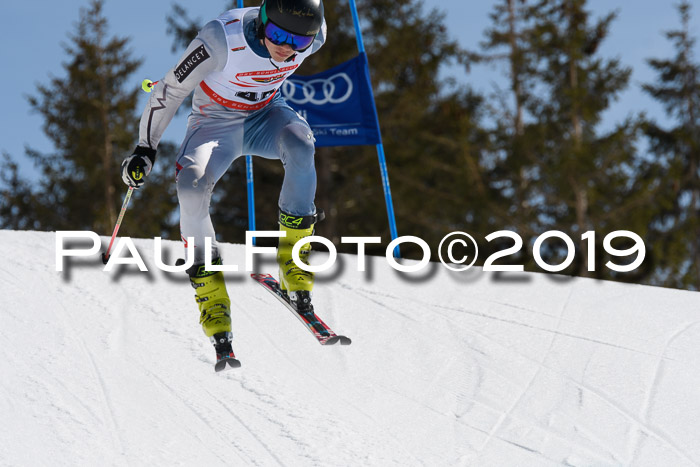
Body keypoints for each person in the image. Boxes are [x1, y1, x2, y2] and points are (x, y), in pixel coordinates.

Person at [120, 0, 326, 358]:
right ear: (262, 20)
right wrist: (145, 148)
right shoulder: (220, 40)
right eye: (278, 34)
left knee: (302, 146)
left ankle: (293, 261)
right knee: (191, 187)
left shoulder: (316, 35)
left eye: (298, 43)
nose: (286, 48)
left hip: (266, 115)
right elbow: (169, 91)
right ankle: (211, 296)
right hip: (214, 123)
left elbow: (297, 39)